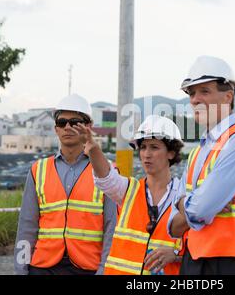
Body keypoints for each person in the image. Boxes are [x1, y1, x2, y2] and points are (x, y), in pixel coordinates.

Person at [168, 55, 235, 275]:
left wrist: (188, 204)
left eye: (204, 91)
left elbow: (198, 209)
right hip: (194, 259)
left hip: (232, 261)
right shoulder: (197, 152)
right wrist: (197, 203)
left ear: (228, 96)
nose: (194, 100)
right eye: (192, 93)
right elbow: (173, 227)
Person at [14, 94, 116, 275]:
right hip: (43, 266)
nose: (67, 127)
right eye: (62, 122)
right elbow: (26, 227)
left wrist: (104, 270)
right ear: (56, 129)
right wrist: (21, 269)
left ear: (88, 127)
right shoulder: (38, 170)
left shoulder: (106, 170)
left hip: (87, 268)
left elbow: (112, 228)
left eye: (75, 121)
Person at [75, 115, 185, 275]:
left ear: (171, 153)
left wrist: (176, 255)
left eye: (154, 147)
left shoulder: (184, 197)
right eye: (143, 147)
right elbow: (105, 177)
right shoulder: (129, 190)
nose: (146, 154)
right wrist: (93, 148)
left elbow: (197, 248)